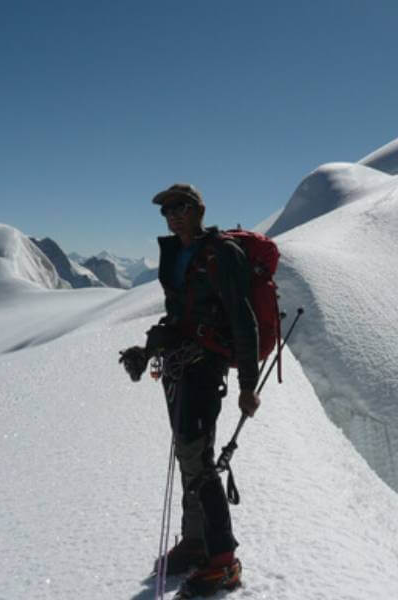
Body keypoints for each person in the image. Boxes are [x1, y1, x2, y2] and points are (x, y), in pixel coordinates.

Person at [130, 182, 260, 597]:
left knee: (198, 460)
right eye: (166, 211)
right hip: (179, 366)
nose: (173, 215)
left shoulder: (222, 253)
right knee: (189, 456)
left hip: (205, 367)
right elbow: (176, 317)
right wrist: (146, 349)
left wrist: (248, 385)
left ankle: (224, 562)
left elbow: (243, 320)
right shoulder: (177, 255)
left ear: (199, 209)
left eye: (180, 207)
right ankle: (195, 540)